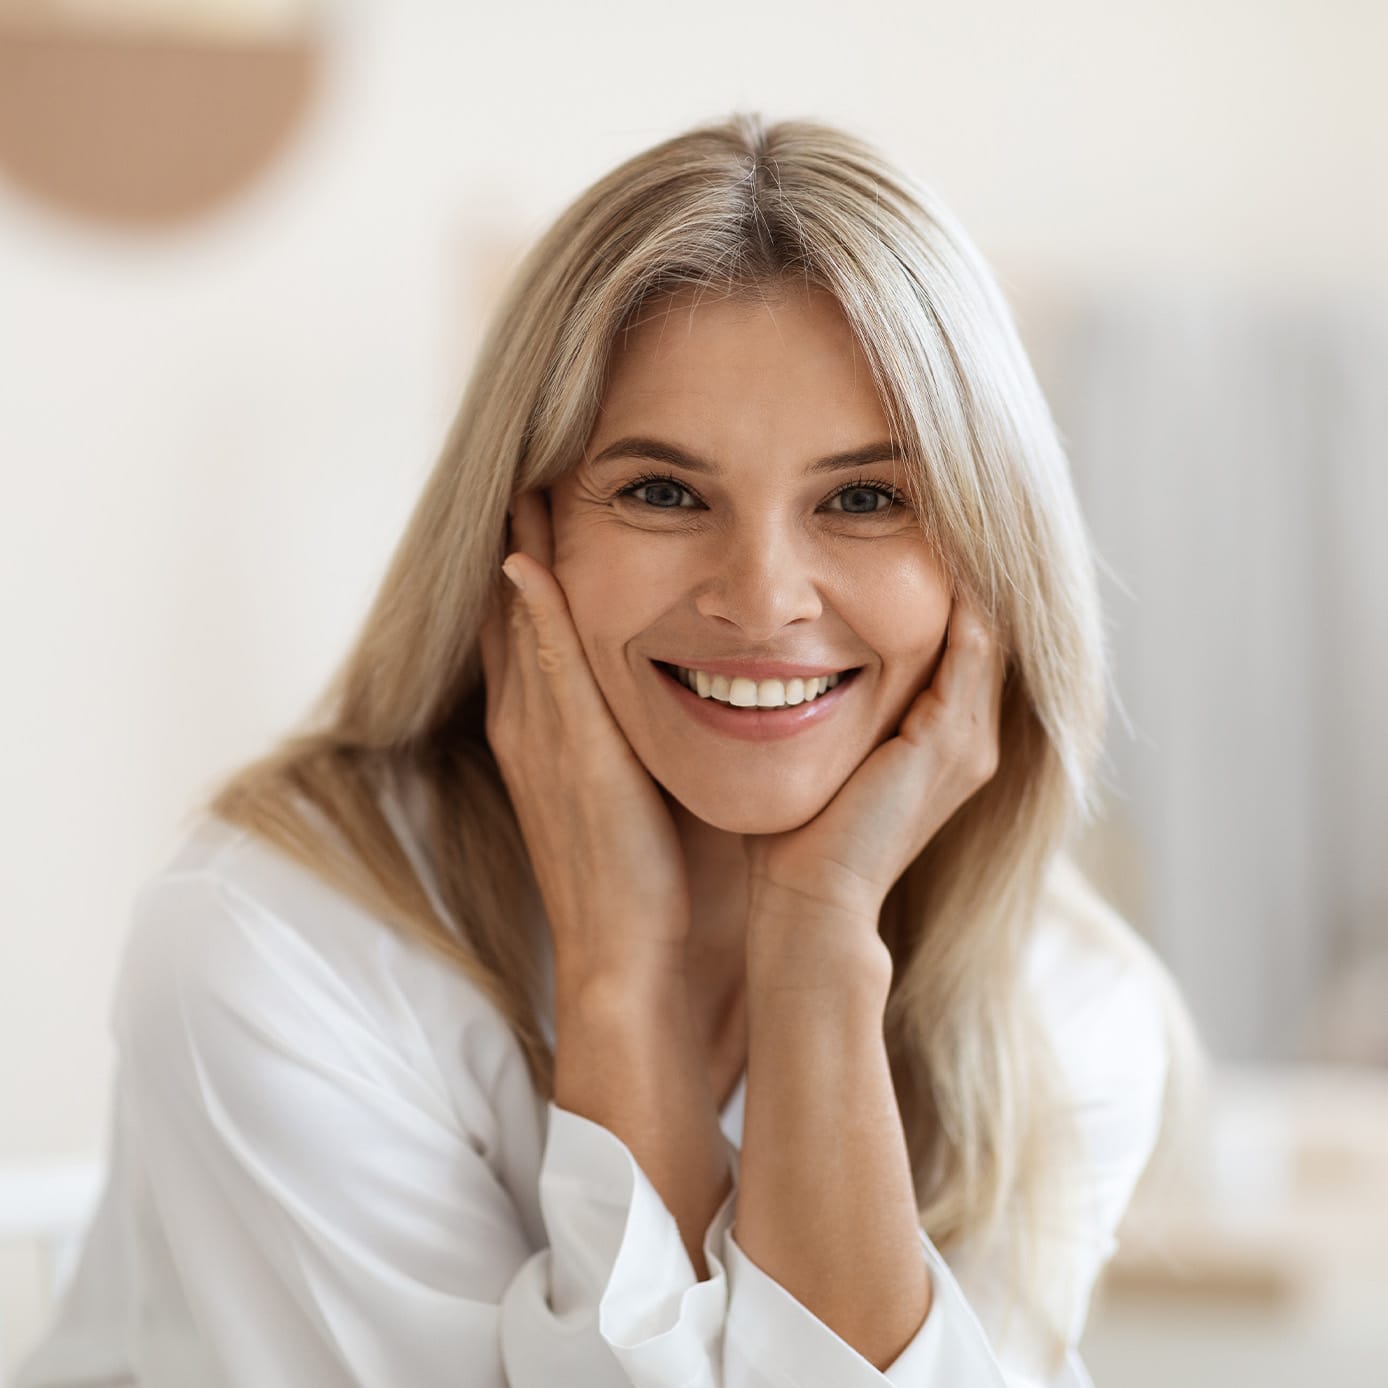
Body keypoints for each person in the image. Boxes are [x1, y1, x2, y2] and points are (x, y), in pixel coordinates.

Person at [15, 111, 1203, 1387]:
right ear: (522, 538)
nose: (761, 596)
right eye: (660, 491)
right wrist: (617, 976)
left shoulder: (1058, 1013)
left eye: (864, 498)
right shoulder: (277, 952)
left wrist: (815, 951)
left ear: (985, 560)